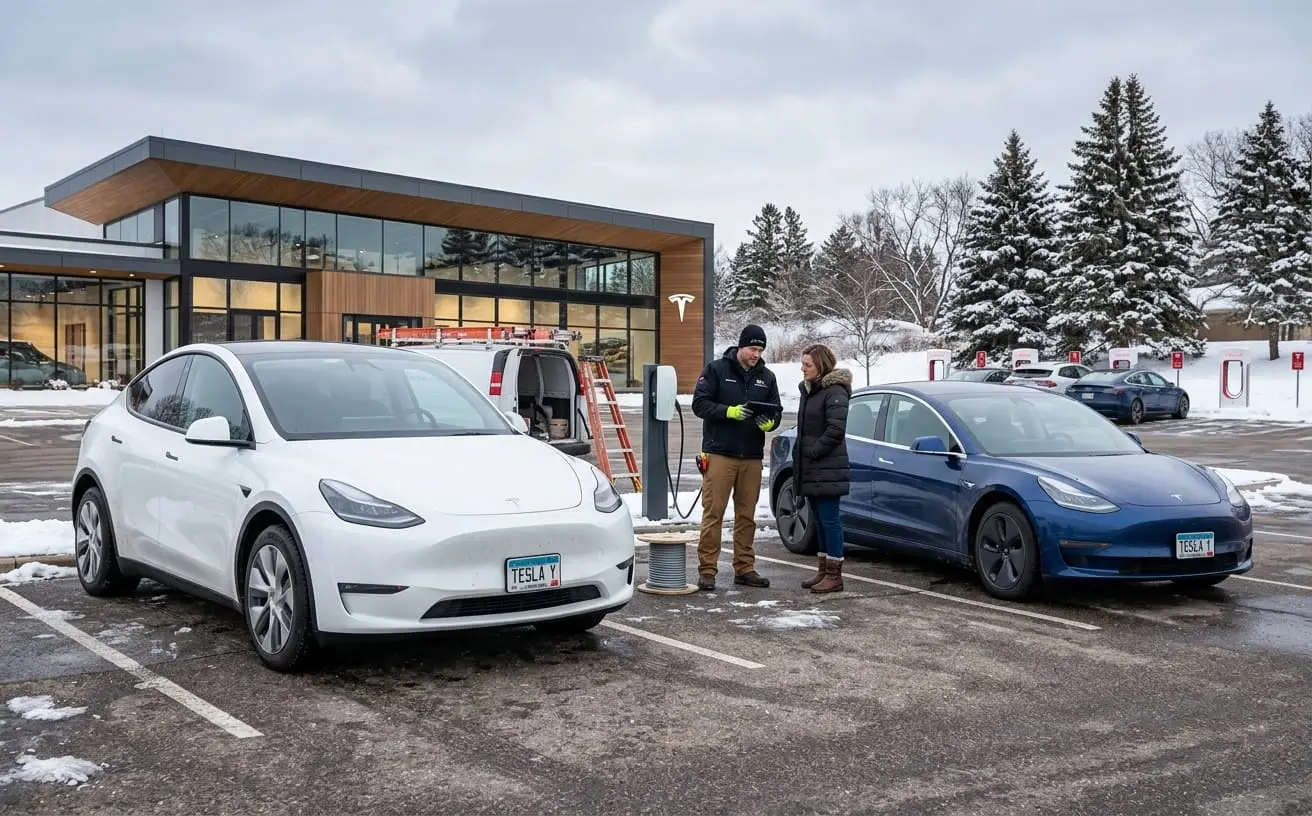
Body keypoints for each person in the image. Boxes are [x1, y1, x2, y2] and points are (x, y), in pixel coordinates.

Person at [691, 324, 782, 591]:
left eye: (760, 349)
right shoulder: (716, 370)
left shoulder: (767, 376)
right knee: (714, 513)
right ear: (741, 346)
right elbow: (700, 404)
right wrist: (728, 412)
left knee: (747, 516)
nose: (757, 354)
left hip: (751, 456)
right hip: (720, 453)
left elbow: (776, 411)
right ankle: (707, 570)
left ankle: (745, 568)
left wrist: (769, 423)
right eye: (753, 348)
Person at [793, 343, 852, 593]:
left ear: (821, 365)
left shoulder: (834, 391)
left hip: (827, 467)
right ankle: (823, 570)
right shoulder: (811, 391)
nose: (803, 368)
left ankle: (835, 574)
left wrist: (814, 451)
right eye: (803, 363)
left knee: (830, 520)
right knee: (819, 519)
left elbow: (835, 430)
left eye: (808, 364)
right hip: (813, 468)